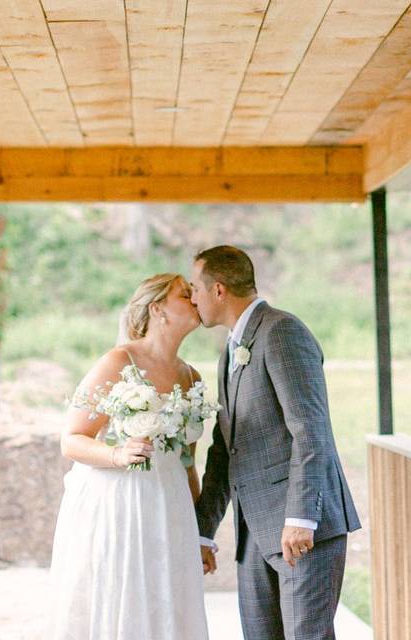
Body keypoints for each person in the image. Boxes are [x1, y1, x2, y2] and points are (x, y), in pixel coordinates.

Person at [191, 245, 361, 640]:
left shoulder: (281, 331)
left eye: (195, 289)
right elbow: (224, 450)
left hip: (301, 530)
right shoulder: (229, 353)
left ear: (218, 290)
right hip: (253, 534)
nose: (192, 298)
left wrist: (301, 517)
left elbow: (310, 430)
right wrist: (203, 531)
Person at [48, 273, 209, 639]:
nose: (196, 300)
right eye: (186, 295)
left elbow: (188, 462)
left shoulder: (192, 376)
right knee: (119, 596)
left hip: (168, 506)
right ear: (158, 309)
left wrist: (200, 535)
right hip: (119, 503)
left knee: (165, 600)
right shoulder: (118, 362)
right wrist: (118, 454)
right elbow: (71, 439)